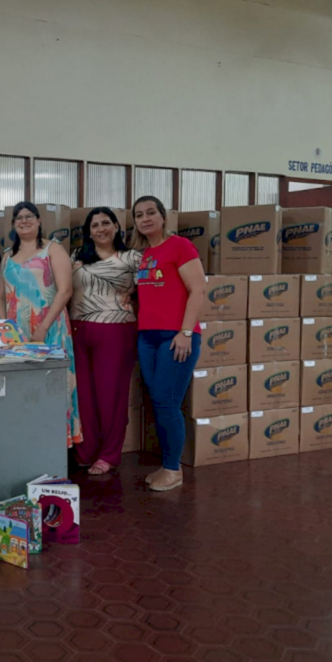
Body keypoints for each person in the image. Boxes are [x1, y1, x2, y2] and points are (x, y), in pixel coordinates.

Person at [131, 195, 206, 492]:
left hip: (175, 337)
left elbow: (198, 290)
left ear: (163, 217)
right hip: (147, 336)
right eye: (139, 215)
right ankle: (166, 465)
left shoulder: (180, 246)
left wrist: (186, 332)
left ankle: (174, 469)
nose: (145, 218)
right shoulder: (145, 254)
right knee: (159, 402)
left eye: (151, 212)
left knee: (167, 402)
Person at [0, 202, 81, 446]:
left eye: (29, 216)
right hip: (16, 336)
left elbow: (65, 291)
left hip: (50, 330)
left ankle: (53, 447)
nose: (24, 221)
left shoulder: (53, 250)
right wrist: (4, 332)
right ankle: (26, 444)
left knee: (54, 388)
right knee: (21, 390)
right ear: (13, 224)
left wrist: (42, 328)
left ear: (39, 220)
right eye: (19, 218)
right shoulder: (7, 256)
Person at [69, 208, 142, 475]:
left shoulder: (132, 258)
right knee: (83, 396)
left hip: (115, 330)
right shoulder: (77, 257)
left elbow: (148, 293)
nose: (101, 228)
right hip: (78, 330)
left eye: (106, 223)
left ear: (116, 227)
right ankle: (86, 451)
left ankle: (109, 455)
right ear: (88, 231)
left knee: (111, 395)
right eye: (95, 225)